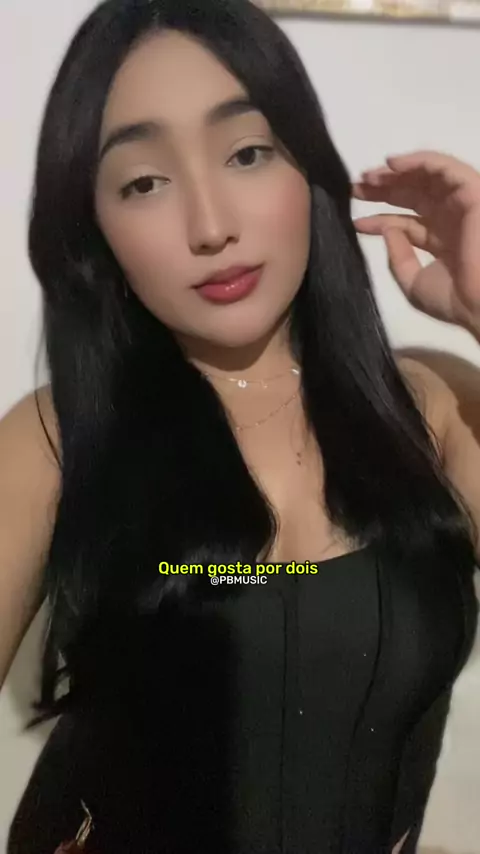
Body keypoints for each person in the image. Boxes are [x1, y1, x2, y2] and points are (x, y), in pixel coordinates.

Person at [1, 0, 480, 851]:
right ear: (93, 228)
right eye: (144, 182)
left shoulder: (429, 403)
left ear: (309, 170)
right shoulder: (53, 440)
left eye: (248, 153)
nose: (212, 226)